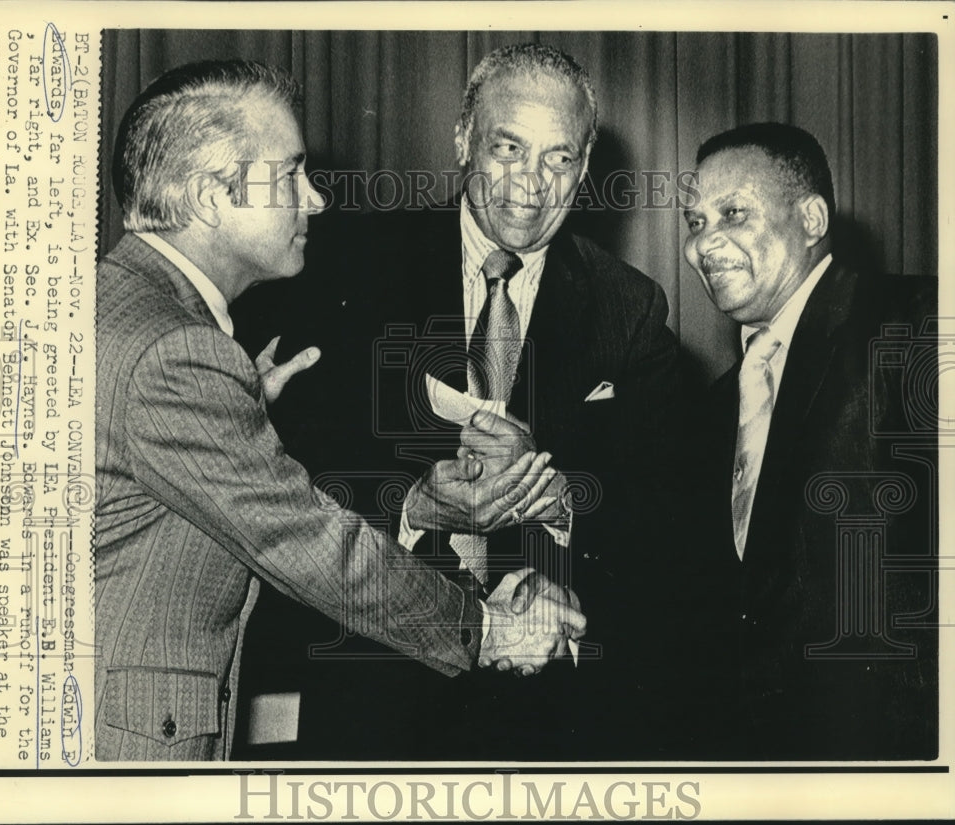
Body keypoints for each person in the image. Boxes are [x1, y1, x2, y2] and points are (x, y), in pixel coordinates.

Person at [94, 59, 587, 761]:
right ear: (210, 195)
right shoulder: (178, 355)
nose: (316, 199)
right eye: (290, 174)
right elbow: (311, 546)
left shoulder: (127, 309)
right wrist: (488, 627)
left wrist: (237, 412)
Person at [233, 44, 680, 759]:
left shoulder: (628, 307)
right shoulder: (347, 261)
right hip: (377, 695)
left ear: (587, 163)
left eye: (559, 158)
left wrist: (554, 497)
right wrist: (415, 504)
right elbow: (284, 470)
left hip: (550, 711)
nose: (532, 184)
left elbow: (660, 506)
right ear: (462, 139)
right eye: (509, 147)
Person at [678, 122, 938, 758]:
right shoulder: (710, 408)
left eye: (732, 213)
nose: (702, 244)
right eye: (693, 221)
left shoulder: (915, 324)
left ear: (812, 217)